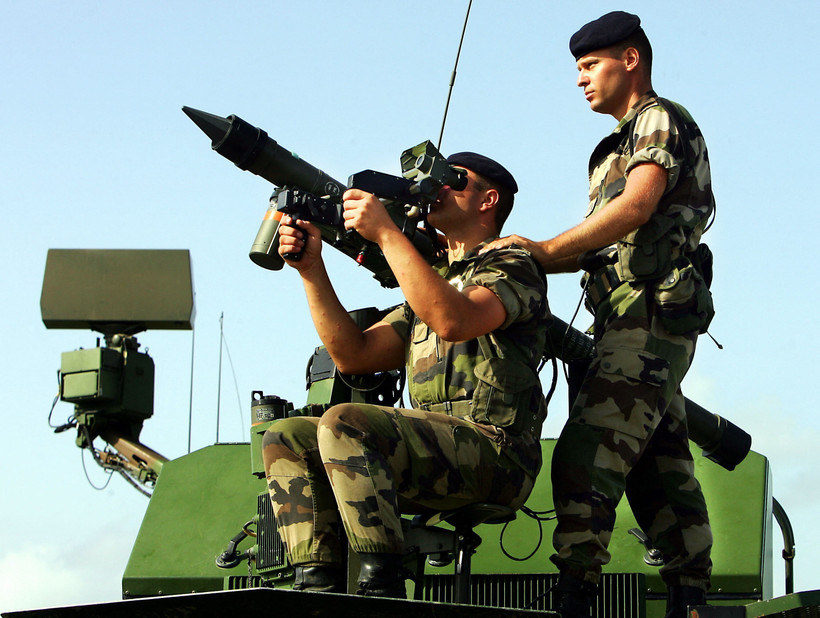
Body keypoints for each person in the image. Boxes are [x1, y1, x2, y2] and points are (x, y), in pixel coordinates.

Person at [483, 11, 715, 618]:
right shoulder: (616, 144)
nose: (580, 80)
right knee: (656, 459)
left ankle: (575, 593)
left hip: (651, 313)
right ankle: (689, 594)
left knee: (588, 450)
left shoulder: (657, 121)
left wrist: (545, 250)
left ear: (630, 60)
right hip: (625, 315)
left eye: (590, 66)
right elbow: (603, 244)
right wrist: (517, 255)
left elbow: (636, 208)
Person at [261, 152, 551, 598]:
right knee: (287, 436)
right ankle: (314, 585)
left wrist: (386, 233)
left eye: (456, 181)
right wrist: (311, 269)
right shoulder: (432, 285)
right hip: (439, 452)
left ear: (487, 200)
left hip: (499, 454)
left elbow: (455, 320)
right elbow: (353, 355)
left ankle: (382, 587)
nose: (438, 189)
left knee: (347, 422)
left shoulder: (513, 267)